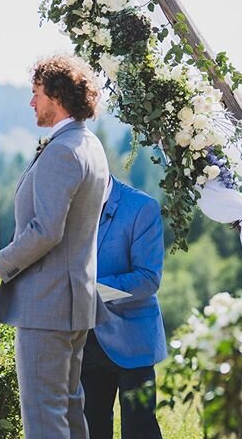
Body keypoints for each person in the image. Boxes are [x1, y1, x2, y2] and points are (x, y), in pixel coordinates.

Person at [0, 55, 109, 439]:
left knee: (44, 418)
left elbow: (46, 230)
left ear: (57, 95)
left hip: (46, 304)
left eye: (36, 93)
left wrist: (0, 262)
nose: (32, 103)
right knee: (68, 411)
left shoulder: (63, 151)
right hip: (73, 303)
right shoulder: (90, 145)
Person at [80, 174, 167, 439]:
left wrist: (89, 290)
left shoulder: (142, 207)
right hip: (85, 339)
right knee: (91, 429)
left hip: (133, 341)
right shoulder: (70, 204)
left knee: (140, 430)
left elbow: (147, 278)